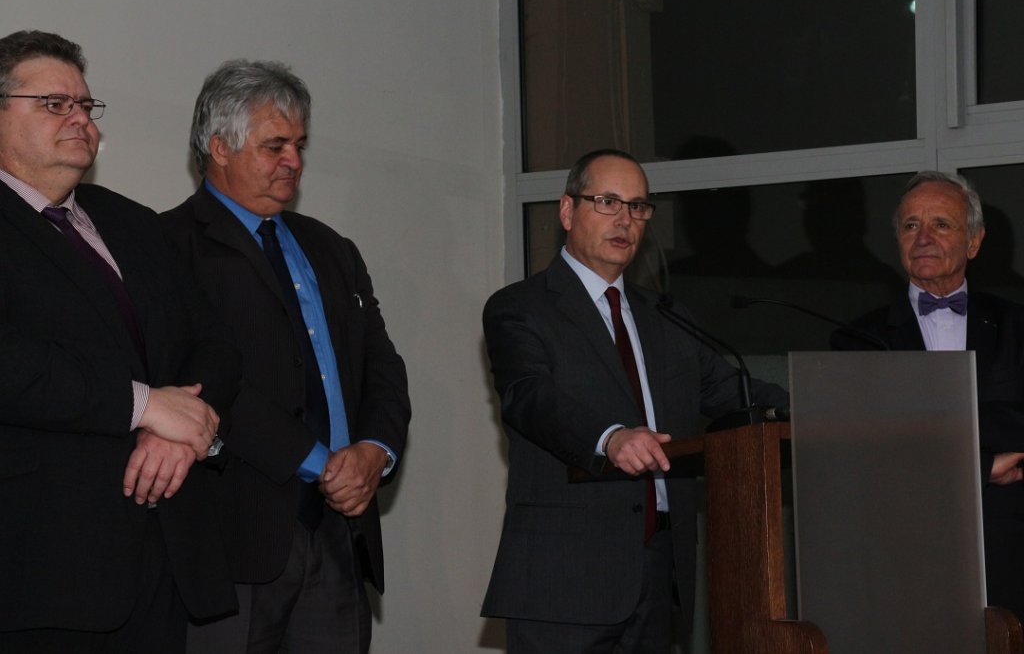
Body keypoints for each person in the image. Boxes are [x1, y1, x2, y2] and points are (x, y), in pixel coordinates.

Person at [481, 149, 788, 653]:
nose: (625, 219)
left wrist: (824, 407)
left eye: (638, 207)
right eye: (607, 202)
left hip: (658, 569)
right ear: (566, 211)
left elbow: (735, 390)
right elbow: (528, 396)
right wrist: (609, 437)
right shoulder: (521, 307)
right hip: (565, 578)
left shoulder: (665, 315)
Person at [0, 30, 240, 652]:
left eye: (85, 105)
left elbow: (213, 343)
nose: (80, 119)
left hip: (164, 557)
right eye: (54, 104)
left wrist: (180, 428)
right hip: (39, 570)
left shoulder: (129, 220)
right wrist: (142, 403)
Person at [162, 59, 410, 654]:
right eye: (275, 145)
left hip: (340, 533)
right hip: (239, 538)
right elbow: (210, 382)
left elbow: (382, 363)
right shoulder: (169, 246)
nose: (294, 161)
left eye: (298, 144)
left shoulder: (331, 247)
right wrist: (320, 462)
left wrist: (376, 450)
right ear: (219, 147)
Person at [831, 170, 1024, 621]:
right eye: (911, 225)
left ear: (973, 241)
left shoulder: (1018, 328)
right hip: (903, 555)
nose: (923, 238)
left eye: (941, 224)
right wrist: (979, 464)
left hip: (1010, 551)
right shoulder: (859, 340)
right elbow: (868, 449)